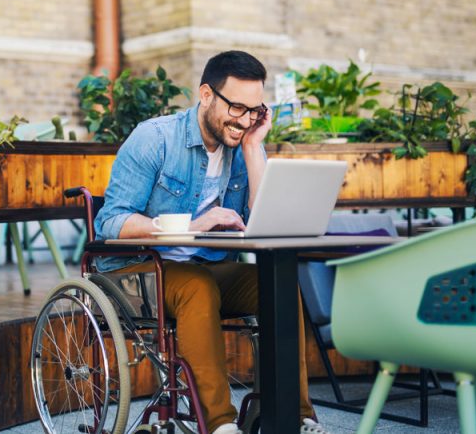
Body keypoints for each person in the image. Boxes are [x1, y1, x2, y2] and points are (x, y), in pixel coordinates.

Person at [94, 50, 329, 434]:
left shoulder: (243, 145)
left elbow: (261, 224)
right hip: (136, 272)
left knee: (274, 284)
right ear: (206, 95)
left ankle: (293, 415)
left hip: (202, 266)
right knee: (197, 287)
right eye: (236, 107)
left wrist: (254, 148)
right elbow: (112, 221)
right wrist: (192, 224)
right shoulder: (155, 138)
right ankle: (220, 425)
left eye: (255, 110)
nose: (244, 120)